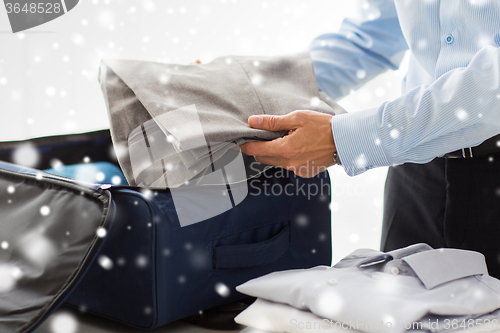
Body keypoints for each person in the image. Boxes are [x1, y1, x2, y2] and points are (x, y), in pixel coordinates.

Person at [240, 0, 500, 278]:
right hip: (416, 173)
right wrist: (245, 88)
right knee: (395, 312)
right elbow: (372, 35)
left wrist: (345, 139)